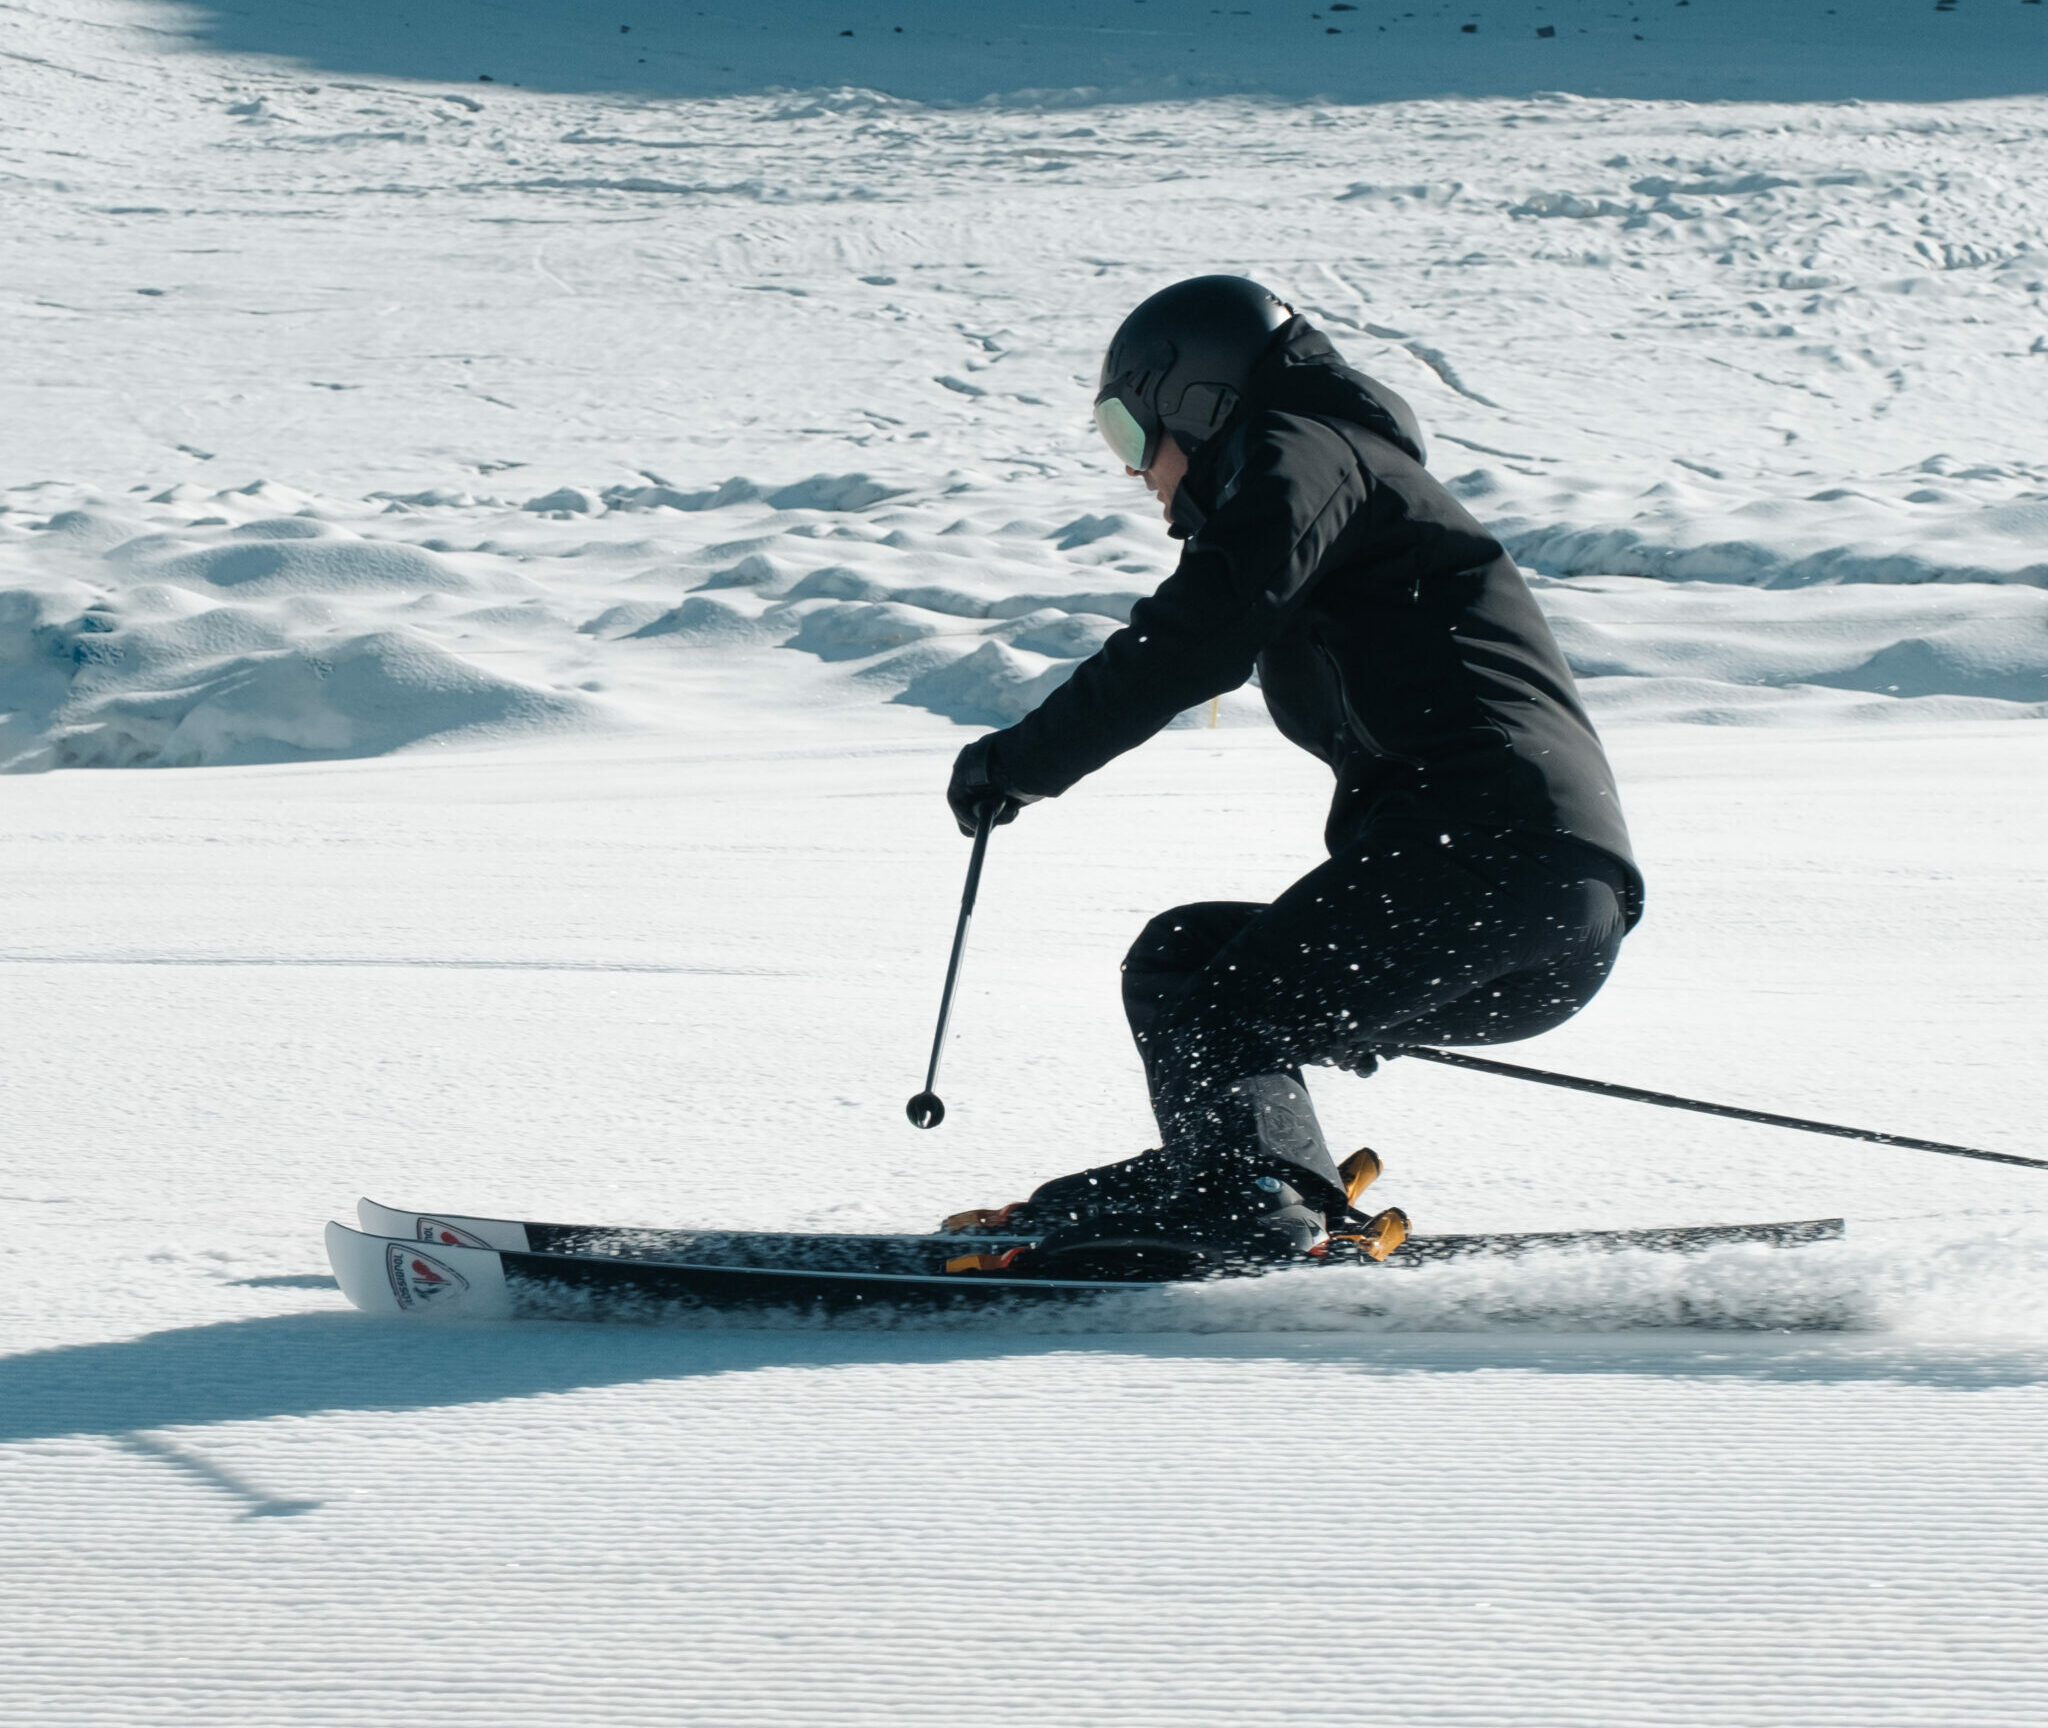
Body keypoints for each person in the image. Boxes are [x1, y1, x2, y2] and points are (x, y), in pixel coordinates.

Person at [944, 276, 1643, 1276]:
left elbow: (1198, 634)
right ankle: (1243, 1174)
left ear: (1196, 397)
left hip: (1491, 863)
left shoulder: (1299, 448)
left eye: (1128, 432)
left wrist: (1019, 763)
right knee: (1191, 960)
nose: (1135, 471)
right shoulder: (1351, 474)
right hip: (1540, 901)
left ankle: (1257, 1208)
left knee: (1222, 1005)